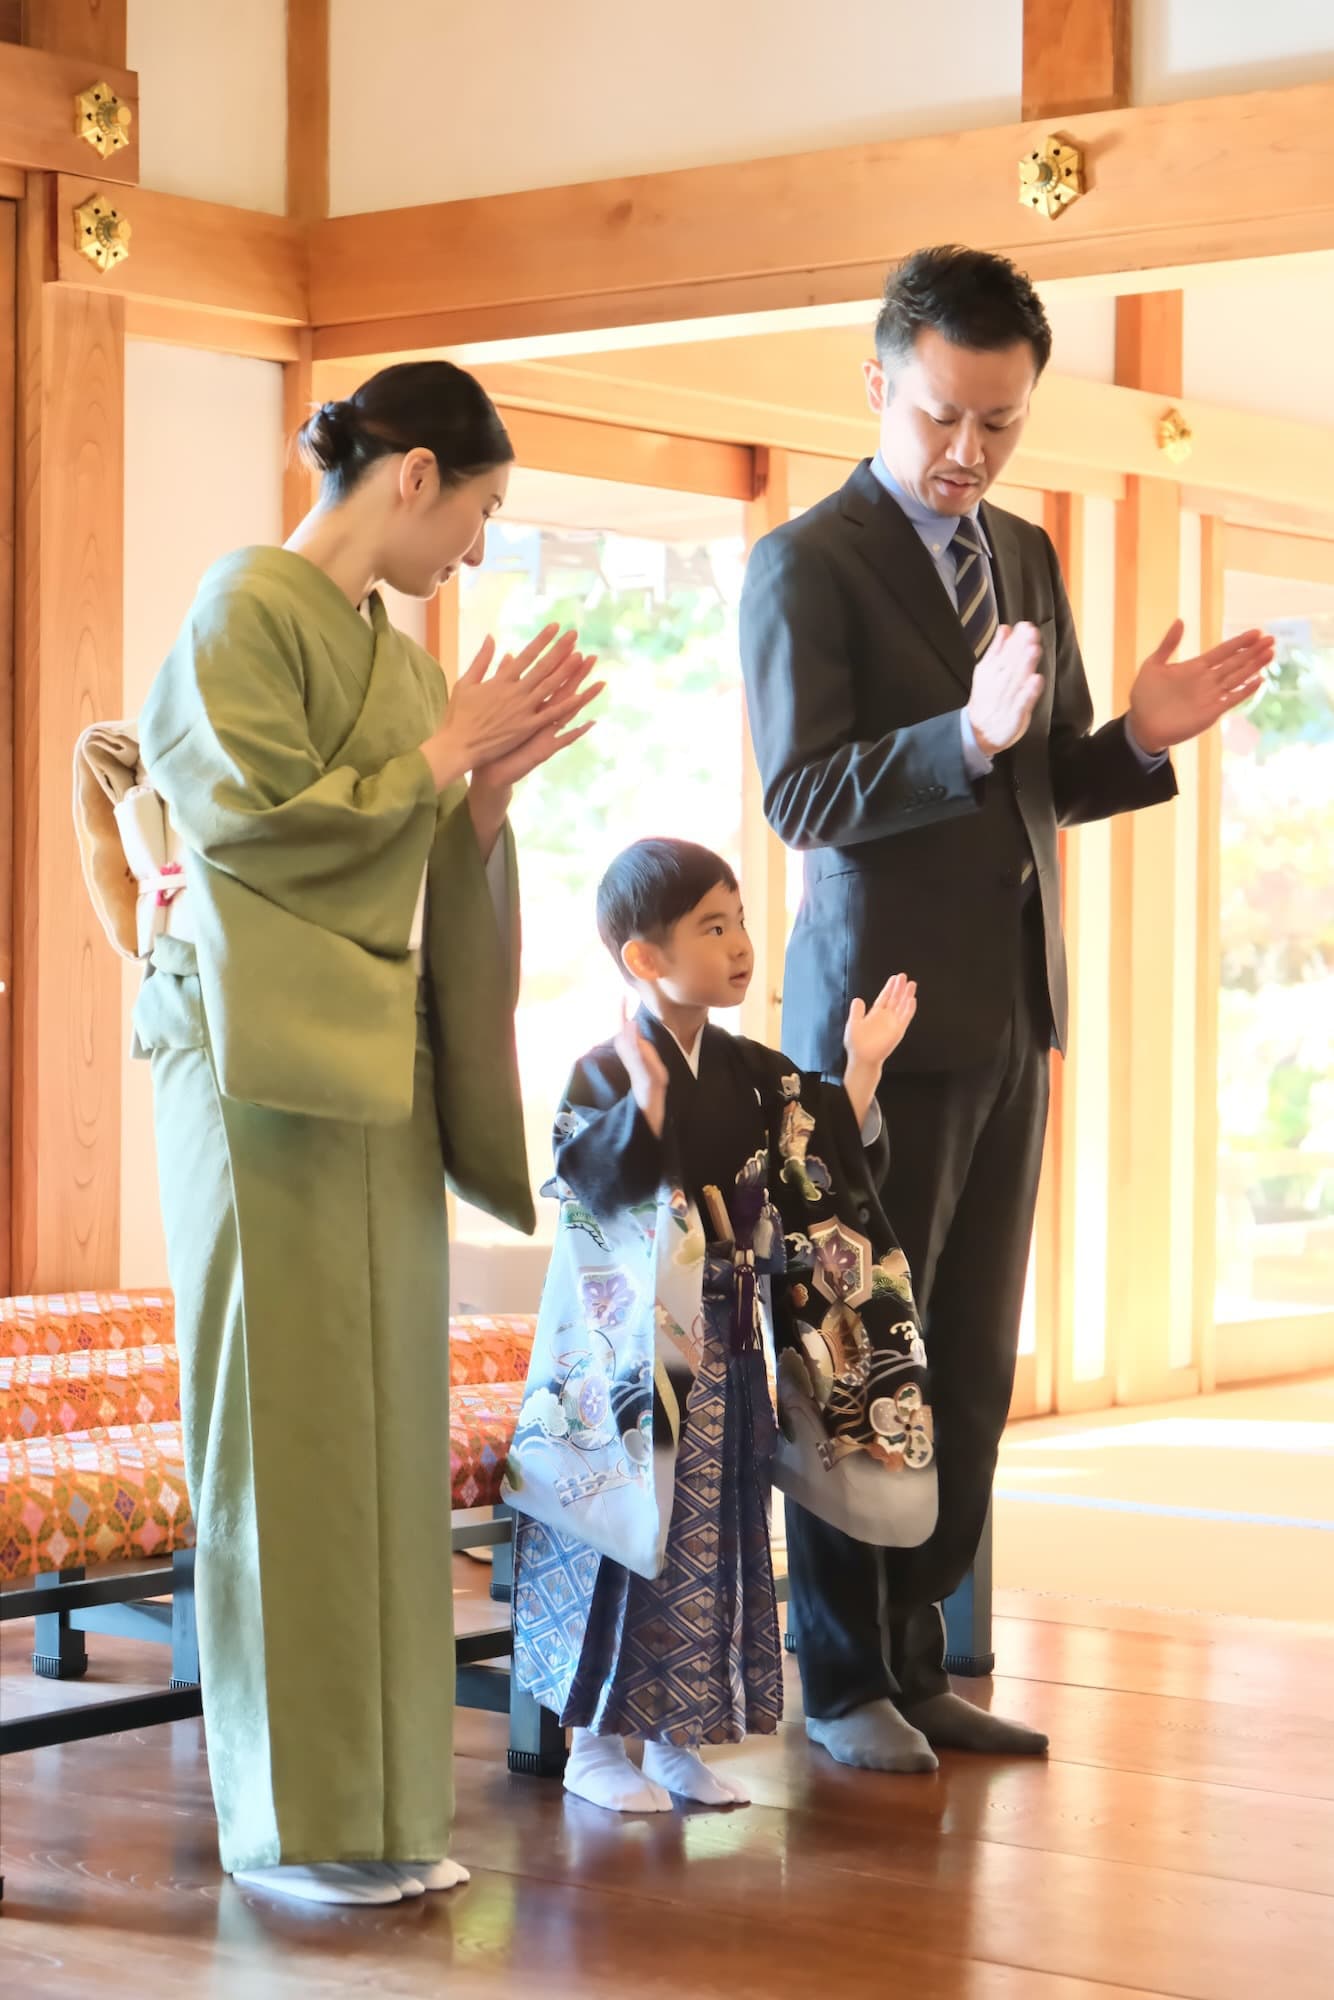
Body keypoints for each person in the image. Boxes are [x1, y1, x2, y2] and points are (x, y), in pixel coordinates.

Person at [738, 246, 1274, 1774]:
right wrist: (959, 733)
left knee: (968, 1363)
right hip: (872, 1034)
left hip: (1012, 1014)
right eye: (941, 418)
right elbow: (802, 795)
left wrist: (1136, 738)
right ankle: (837, 1679)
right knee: (863, 1357)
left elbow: (1040, 779)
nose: (967, 453)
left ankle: (920, 1663)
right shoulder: (804, 564)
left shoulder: (1023, 554)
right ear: (877, 388)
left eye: (999, 424)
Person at [130, 361, 600, 1904]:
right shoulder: (238, 614)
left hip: (374, 1073)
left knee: (384, 1431)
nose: (472, 551)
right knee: (283, 1432)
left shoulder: (400, 661)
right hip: (258, 1069)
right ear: (411, 473)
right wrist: (435, 766)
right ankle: (291, 1826)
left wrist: (476, 798)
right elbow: (250, 831)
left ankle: (392, 1812)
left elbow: (410, 853)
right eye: (475, 512)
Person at [503, 838, 933, 1813]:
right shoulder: (603, 1070)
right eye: (713, 925)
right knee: (625, 1542)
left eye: (739, 920)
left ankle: (669, 1738)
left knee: (714, 1539)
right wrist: (641, 1114)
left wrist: (859, 1072)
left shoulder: (747, 1070)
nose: (740, 944)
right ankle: (592, 1744)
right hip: (629, 1359)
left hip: (729, 1346)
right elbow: (586, 1197)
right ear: (644, 958)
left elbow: (810, 1153)